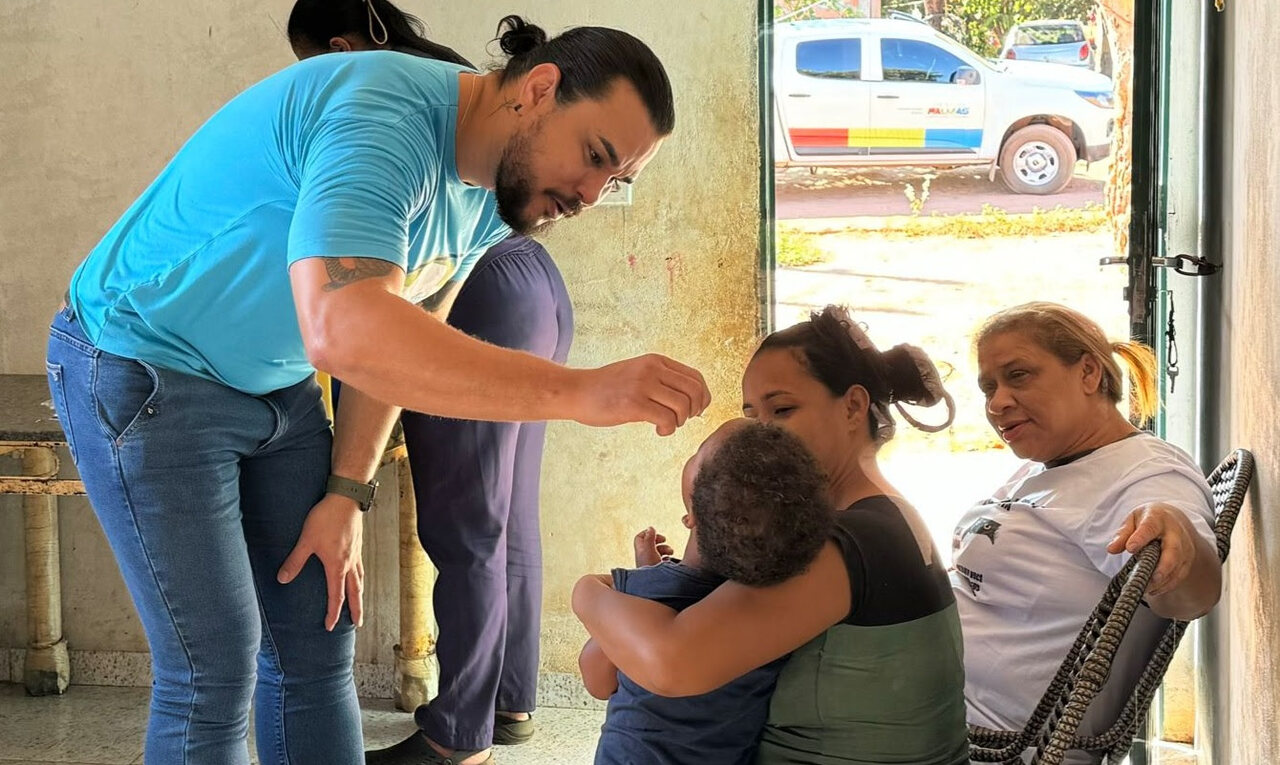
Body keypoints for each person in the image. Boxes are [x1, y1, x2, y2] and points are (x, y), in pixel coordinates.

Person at [46, 11, 706, 765]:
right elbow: (347, 328)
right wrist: (580, 391)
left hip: (277, 383)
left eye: (615, 179)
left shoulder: (501, 184)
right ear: (540, 88)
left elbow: (407, 321)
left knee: (319, 640)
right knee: (212, 669)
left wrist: (347, 491)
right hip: (147, 363)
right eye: (595, 155)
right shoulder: (383, 118)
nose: (591, 193)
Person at [286, 3, 573, 761]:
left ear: (342, 47)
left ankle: (459, 737)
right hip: (533, 283)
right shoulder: (452, 79)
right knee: (505, 511)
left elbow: (370, 293)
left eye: (309, 60)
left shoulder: (376, 100)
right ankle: (507, 704)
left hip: (474, 290)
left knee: (463, 523)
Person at [573, 306, 972, 765]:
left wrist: (587, 591)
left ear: (853, 406)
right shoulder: (887, 514)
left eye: (782, 410)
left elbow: (671, 664)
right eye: (752, 417)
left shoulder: (837, 542)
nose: (760, 437)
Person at [955, 301, 1219, 763]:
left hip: (987, 745)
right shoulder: (1048, 467)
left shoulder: (1143, 473)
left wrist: (1175, 533)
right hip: (938, 712)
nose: (996, 403)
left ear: (1089, 374)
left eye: (1018, 376)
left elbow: (1192, 592)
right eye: (988, 388)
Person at [581, 419, 833, 764]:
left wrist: (640, 581)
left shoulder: (644, 592)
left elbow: (597, 679)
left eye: (699, 454)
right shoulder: (772, 608)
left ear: (692, 514)